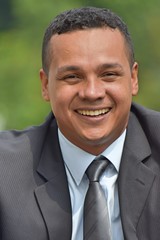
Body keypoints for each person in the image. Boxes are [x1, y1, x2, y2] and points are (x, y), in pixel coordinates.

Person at [0, 6, 160, 240]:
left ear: (133, 79)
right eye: (72, 77)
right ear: (45, 85)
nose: (92, 92)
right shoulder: (5, 173)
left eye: (108, 74)